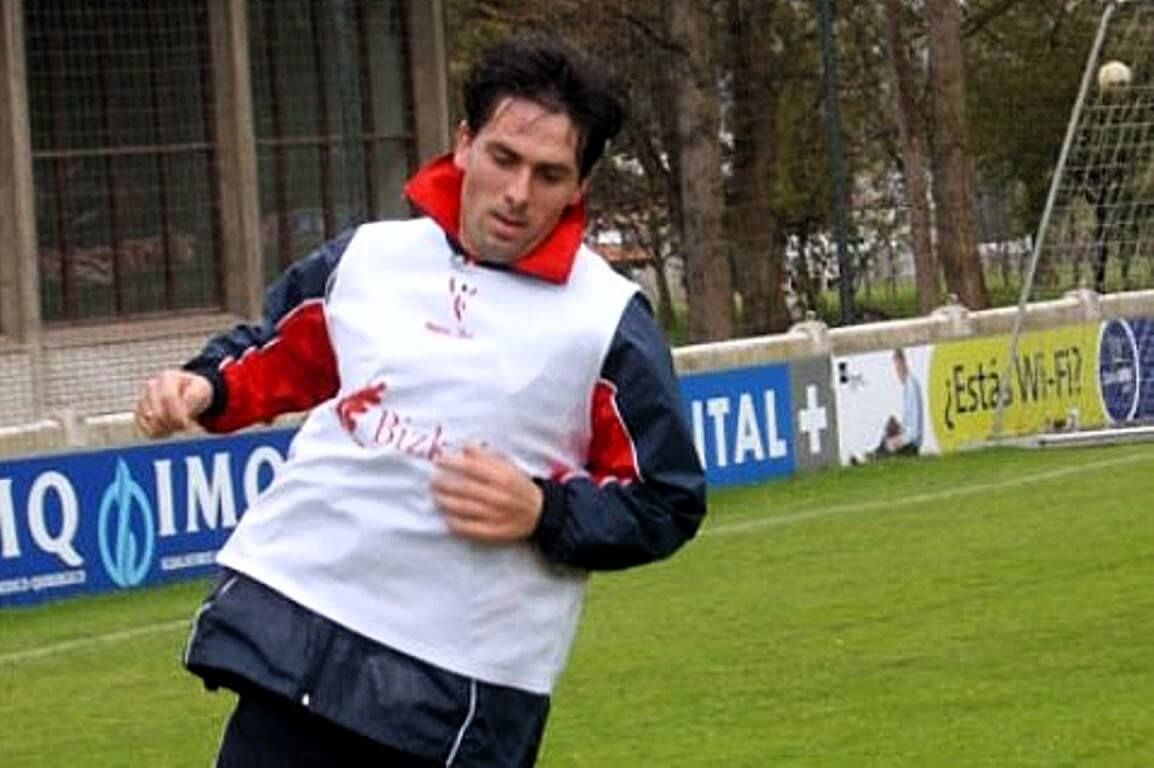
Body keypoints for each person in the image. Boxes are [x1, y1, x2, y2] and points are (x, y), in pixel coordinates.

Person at [134, 35, 706, 767]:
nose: (518, 193)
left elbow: (666, 499)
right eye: (503, 157)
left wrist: (546, 511)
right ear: (465, 144)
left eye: (548, 174)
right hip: (299, 628)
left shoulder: (607, 319)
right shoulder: (371, 257)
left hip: (456, 685)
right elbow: (279, 351)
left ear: (579, 187)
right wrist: (206, 386)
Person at [870, 347, 923, 458]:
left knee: (887, 445)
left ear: (903, 363)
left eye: (898, 367)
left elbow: (914, 431)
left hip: (911, 444)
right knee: (887, 434)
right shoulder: (907, 386)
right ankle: (875, 455)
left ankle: (875, 456)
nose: (897, 372)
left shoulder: (912, 386)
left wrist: (899, 440)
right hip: (908, 438)